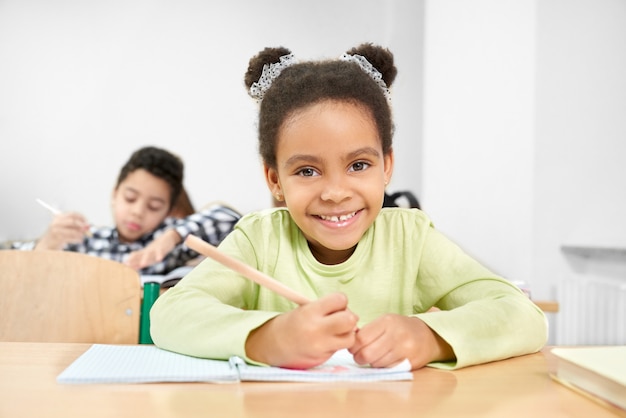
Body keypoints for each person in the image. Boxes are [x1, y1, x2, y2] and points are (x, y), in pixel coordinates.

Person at [150, 44, 547, 371]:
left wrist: (429, 338)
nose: (336, 193)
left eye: (358, 165)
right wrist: (269, 337)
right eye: (307, 171)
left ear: (386, 166)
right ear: (275, 180)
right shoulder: (259, 239)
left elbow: (522, 314)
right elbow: (169, 315)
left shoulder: (409, 238)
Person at [13, 146, 241, 275]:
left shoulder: (170, 247)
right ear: (114, 194)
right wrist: (47, 244)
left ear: (169, 210)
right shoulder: (83, 241)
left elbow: (229, 219)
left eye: (154, 206)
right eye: (130, 198)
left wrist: (171, 237)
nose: (137, 212)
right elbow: (12, 264)